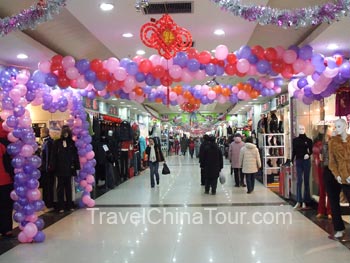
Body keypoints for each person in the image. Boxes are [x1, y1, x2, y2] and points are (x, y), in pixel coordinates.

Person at [50, 125, 80, 213]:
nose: (66, 134)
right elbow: (53, 156)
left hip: (69, 168)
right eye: (64, 133)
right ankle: (61, 206)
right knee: (60, 188)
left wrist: (76, 166)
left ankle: (69, 204)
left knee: (68, 187)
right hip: (59, 169)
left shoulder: (72, 143)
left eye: (67, 132)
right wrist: (52, 166)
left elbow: (75, 156)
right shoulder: (57, 143)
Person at [328, 118, 350, 238]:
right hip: (341, 176)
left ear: (346, 126)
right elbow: (332, 162)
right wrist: (337, 175)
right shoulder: (333, 142)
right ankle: (339, 228)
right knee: (334, 202)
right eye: (336, 126)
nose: (337, 128)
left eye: (340, 126)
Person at [292, 125, 313, 209]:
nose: (301, 130)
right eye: (300, 129)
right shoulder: (295, 140)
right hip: (298, 161)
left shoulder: (309, 140)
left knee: (306, 181)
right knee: (299, 181)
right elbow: (294, 151)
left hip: (306, 161)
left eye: (303, 129)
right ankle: (299, 200)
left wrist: (308, 154)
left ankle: (305, 201)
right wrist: (291, 160)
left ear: (305, 129)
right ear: (297, 130)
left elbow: (311, 150)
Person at [0, 122, 14, 238]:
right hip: (5, 180)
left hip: (5, 179)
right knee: (6, 206)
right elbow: (9, 164)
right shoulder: (5, 143)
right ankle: (7, 229)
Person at [40, 127, 55, 211]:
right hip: (45, 169)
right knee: (46, 187)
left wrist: (47, 167)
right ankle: (46, 203)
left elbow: (48, 157)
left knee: (48, 187)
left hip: (47, 170)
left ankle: (48, 203)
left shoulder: (48, 143)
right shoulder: (46, 142)